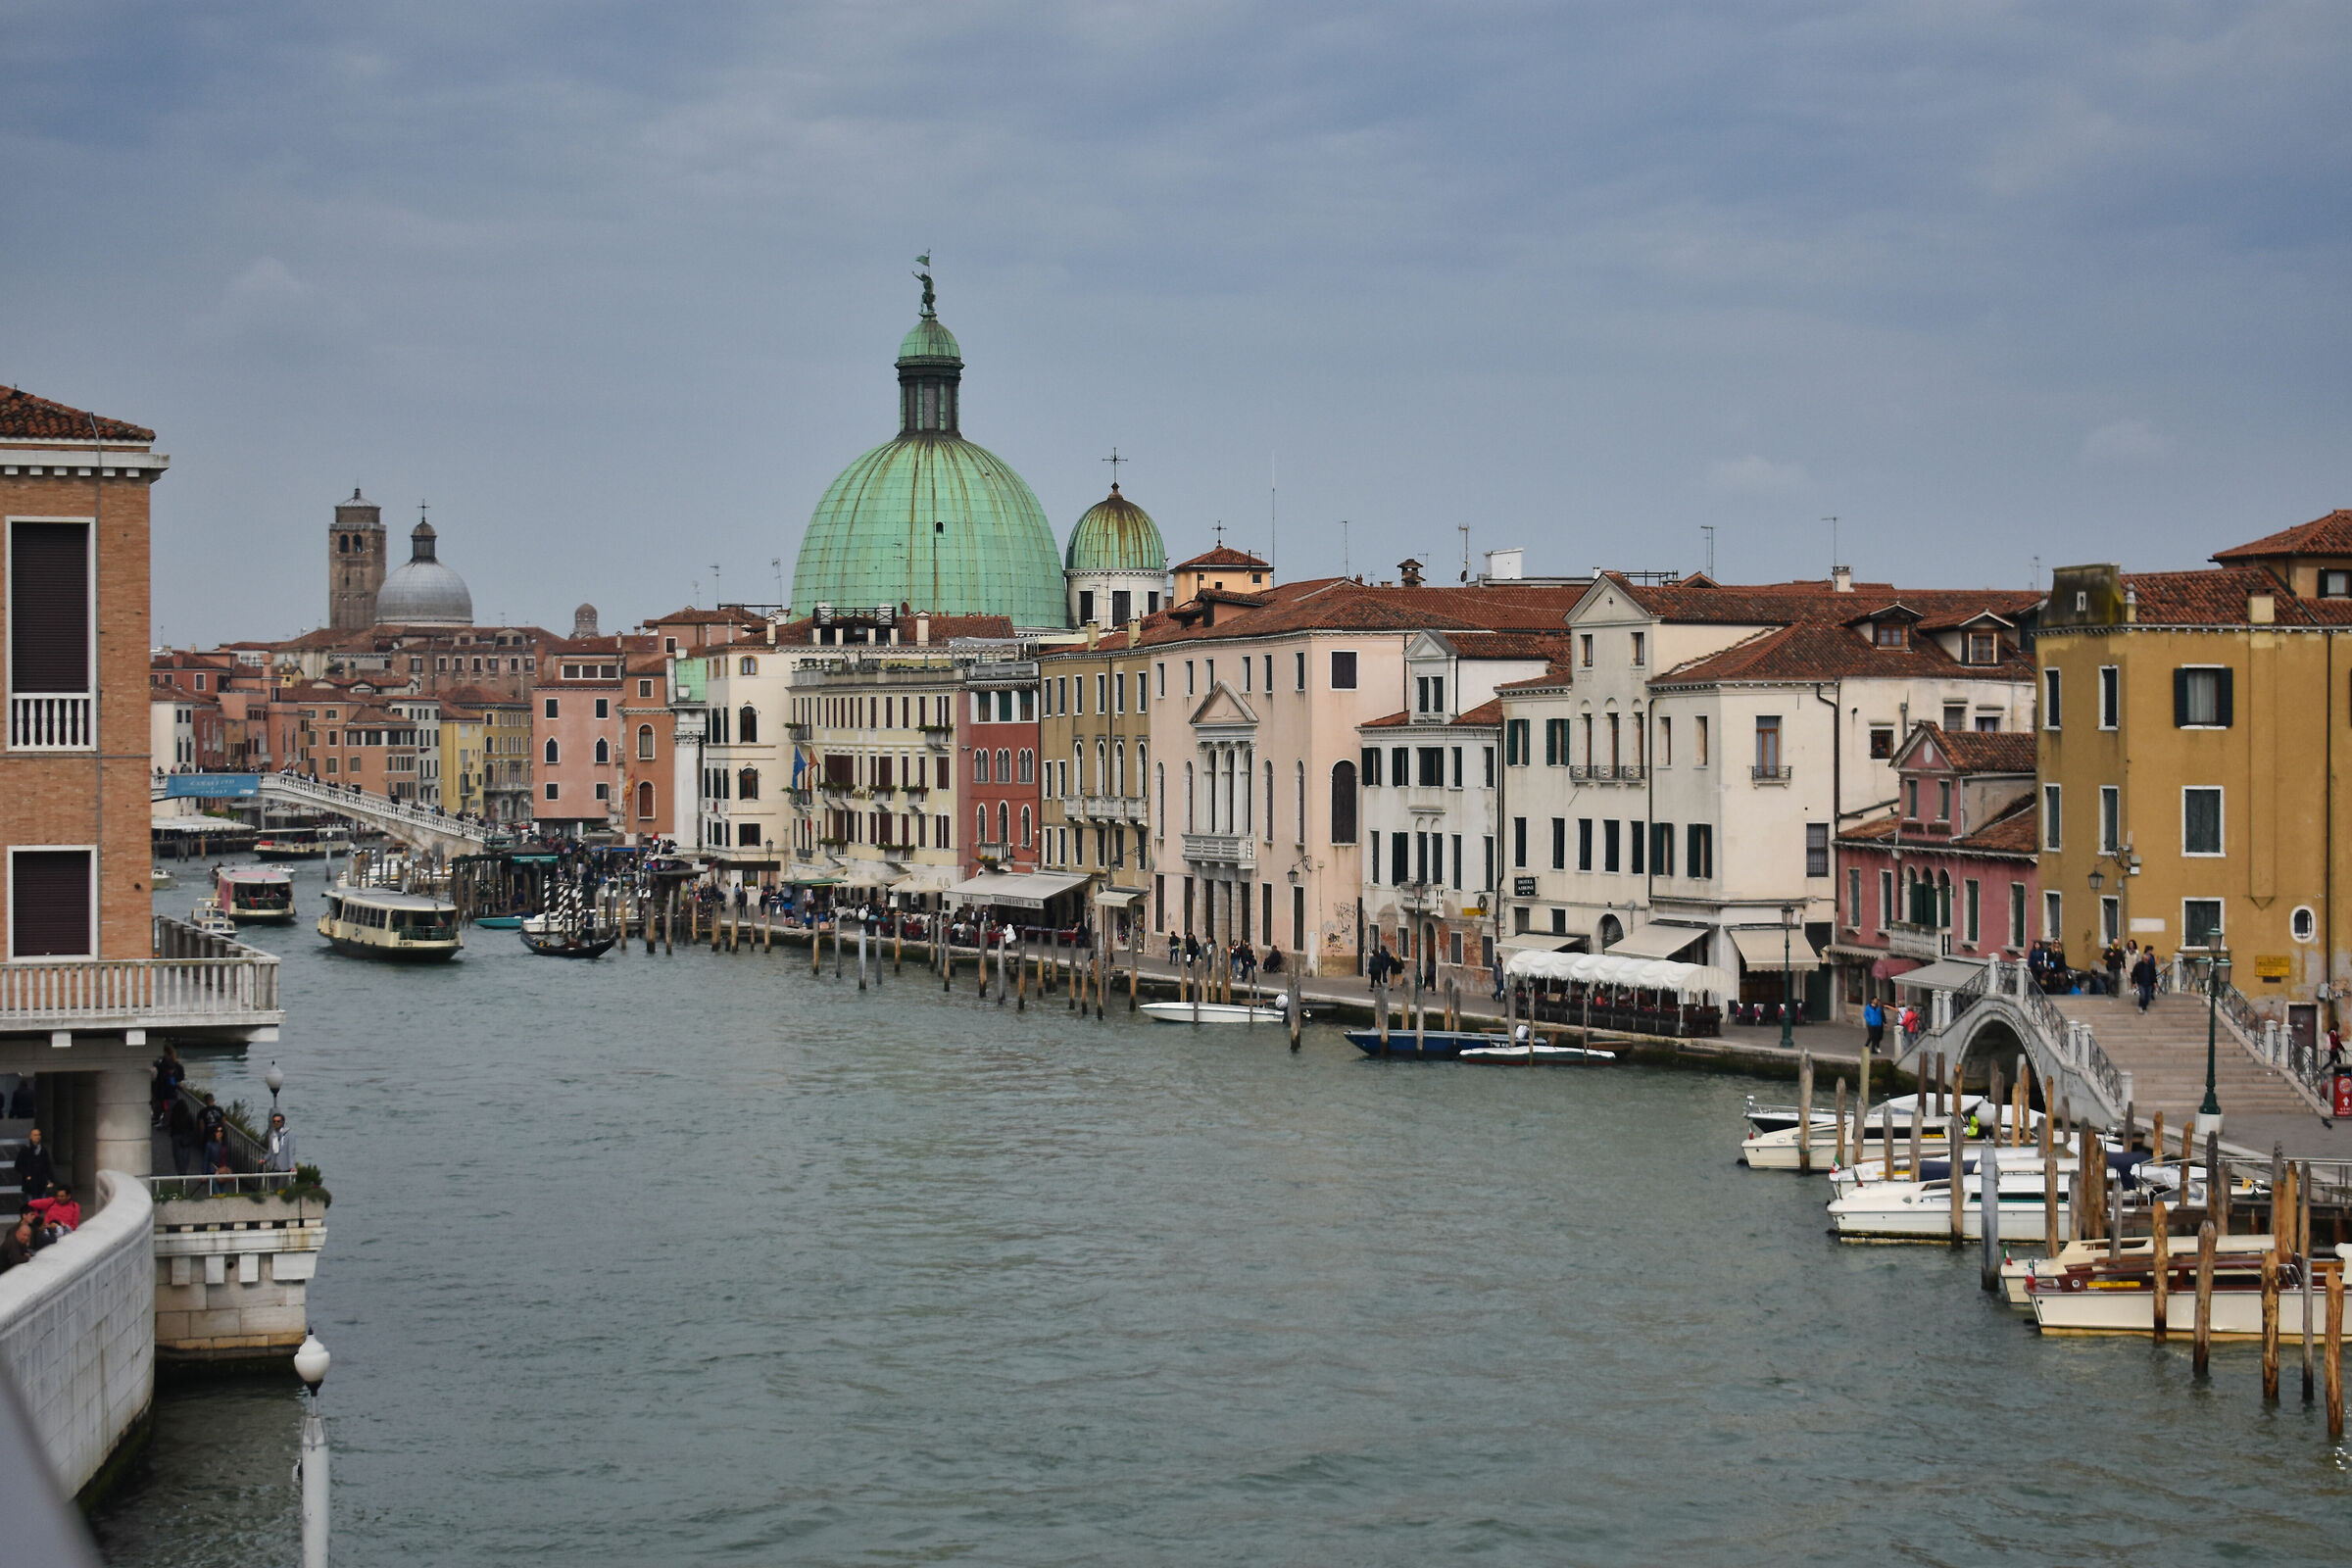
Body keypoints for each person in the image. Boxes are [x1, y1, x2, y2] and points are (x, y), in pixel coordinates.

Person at [12, 1126, 54, 1203]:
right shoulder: (25, 1150)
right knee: (32, 1203)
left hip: (41, 1182)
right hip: (30, 1183)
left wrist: (50, 1179)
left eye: (39, 1135)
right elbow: (18, 1165)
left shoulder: (43, 1150)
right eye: (35, 1135)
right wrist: (27, 1175)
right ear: (30, 1136)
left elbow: (47, 1166)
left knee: (41, 1203)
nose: (37, 1137)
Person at [169, 1094, 200, 1176]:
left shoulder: (174, 1115)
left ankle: (179, 1171)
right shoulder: (189, 1116)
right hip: (186, 1138)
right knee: (186, 1156)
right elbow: (193, 1128)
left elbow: (171, 1125)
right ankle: (184, 1171)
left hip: (176, 1138)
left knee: (177, 1156)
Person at [2131, 948, 2159, 1012]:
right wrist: (2134, 982)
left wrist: (2155, 982)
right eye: (2145, 959)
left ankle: (2144, 1007)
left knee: (2148, 996)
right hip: (2141, 983)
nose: (2146, 960)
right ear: (2143, 958)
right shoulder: (2138, 965)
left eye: (2147, 959)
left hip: (2149, 983)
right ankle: (2140, 1006)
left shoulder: (2151, 966)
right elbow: (2133, 974)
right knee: (2142, 995)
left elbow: (2153, 975)